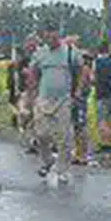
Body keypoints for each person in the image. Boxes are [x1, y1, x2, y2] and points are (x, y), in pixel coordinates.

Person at [29, 28, 80, 184]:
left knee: (64, 136)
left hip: (63, 99)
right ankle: (48, 161)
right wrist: (33, 93)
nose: (51, 41)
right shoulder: (40, 53)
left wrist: (78, 90)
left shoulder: (70, 52)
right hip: (44, 98)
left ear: (58, 37)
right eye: (48, 38)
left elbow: (81, 70)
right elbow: (33, 72)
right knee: (41, 134)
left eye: (54, 38)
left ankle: (62, 169)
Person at [92, 41, 111, 152]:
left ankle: (105, 143)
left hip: (101, 93)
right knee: (109, 119)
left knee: (102, 120)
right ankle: (110, 144)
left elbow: (93, 78)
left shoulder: (97, 62)